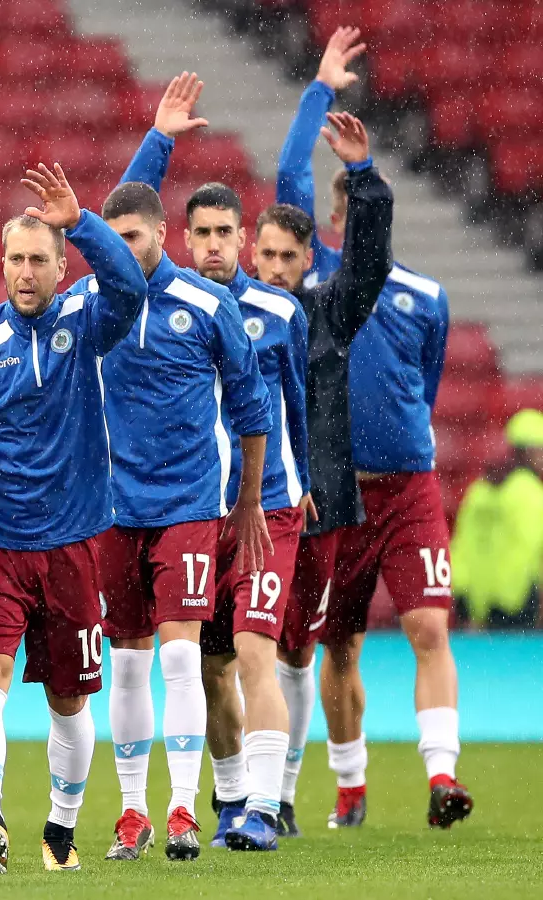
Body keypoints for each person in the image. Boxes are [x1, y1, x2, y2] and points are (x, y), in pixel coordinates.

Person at [276, 28, 469, 831]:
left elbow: (420, 388)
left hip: (408, 489)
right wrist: (319, 89)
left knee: (428, 624)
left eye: (368, 205)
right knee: (340, 646)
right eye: (346, 205)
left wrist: (396, 443)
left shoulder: (427, 298)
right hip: (336, 495)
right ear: (332, 214)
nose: (356, 220)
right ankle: (349, 789)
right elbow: (288, 174)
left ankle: (441, 779)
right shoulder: (316, 279)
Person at [117, 72, 312, 853]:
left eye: (225, 235)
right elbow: (116, 222)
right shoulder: (165, 310)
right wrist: (158, 142)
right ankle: (231, 798)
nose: (213, 247)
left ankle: (263, 806)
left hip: (266, 509)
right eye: (198, 235)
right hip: (196, 509)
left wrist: (304, 490)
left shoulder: (280, 313)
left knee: (259, 652)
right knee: (205, 666)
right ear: (183, 240)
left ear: (244, 237)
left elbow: (296, 409)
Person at [0, 163, 148, 874]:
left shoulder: (86, 325)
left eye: (38, 260)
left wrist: (82, 221)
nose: (25, 272)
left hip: (75, 546)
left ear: (62, 268)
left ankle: (59, 830)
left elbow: (131, 284)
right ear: (1, 265)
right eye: (15, 259)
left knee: (68, 698)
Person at [86, 78, 274, 862]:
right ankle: (131, 813)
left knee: (178, 655)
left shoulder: (204, 303)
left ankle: (183, 810)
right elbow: (102, 223)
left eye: (136, 239)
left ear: (161, 236)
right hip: (112, 508)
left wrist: (250, 500)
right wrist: (156, 141)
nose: (123, 252)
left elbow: (252, 406)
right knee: (125, 665)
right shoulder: (95, 305)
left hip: (191, 503)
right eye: (113, 242)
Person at [250, 97, 394, 836]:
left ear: (310, 262)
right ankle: (231, 793)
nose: (275, 269)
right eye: (266, 255)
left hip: (318, 508)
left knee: (295, 651)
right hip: (237, 509)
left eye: (288, 258)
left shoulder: (329, 313)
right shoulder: (226, 315)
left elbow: (370, 262)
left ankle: (278, 796)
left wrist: (363, 176)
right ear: (252, 254)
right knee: (234, 649)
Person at [452, 409, 543, 629]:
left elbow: (462, 546)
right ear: (528, 451)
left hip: (472, 603)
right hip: (514, 607)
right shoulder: (530, 491)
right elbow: (528, 552)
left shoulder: (479, 489)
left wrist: (470, 603)